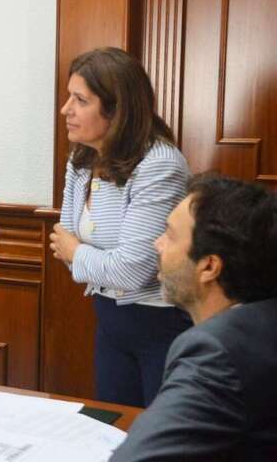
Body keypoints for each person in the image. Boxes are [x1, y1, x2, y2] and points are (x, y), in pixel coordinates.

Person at [49, 47, 192, 407]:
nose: (66, 109)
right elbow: (62, 244)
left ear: (117, 109)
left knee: (158, 441)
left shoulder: (159, 164)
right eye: (70, 97)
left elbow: (131, 271)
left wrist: (80, 254)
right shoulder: (81, 157)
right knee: (113, 428)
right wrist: (89, 258)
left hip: (160, 325)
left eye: (80, 99)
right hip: (110, 319)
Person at [110, 174, 277, 461]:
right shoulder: (260, 324)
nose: (157, 244)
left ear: (209, 267)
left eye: (170, 235)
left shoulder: (217, 352)